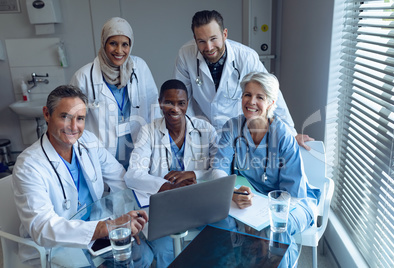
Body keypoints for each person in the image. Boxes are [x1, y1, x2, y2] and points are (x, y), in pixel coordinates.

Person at [12, 85, 153, 267]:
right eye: (65, 117)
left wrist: (128, 216)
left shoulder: (88, 142)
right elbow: (43, 228)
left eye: (80, 119)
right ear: (47, 114)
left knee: (142, 257)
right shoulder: (29, 166)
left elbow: (120, 179)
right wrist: (107, 228)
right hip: (56, 245)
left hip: (95, 229)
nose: (73, 127)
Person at [173, 10, 314, 150]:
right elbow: (182, 98)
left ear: (224, 34)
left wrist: (291, 133)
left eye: (213, 39)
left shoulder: (246, 57)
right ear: (195, 38)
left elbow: (272, 94)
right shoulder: (186, 54)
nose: (209, 47)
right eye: (202, 41)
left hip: (239, 132)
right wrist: (189, 130)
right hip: (202, 131)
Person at [211, 72, 321, 236]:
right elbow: (219, 168)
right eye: (247, 94)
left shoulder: (282, 136)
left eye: (260, 97)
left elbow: (291, 194)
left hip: (293, 203)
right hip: (253, 201)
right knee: (219, 223)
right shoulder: (232, 127)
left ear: (271, 103)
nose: (251, 101)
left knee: (274, 231)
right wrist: (231, 192)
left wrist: (259, 220)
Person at [124, 79, 218, 268]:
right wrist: (168, 186)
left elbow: (220, 168)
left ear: (187, 104)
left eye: (181, 103)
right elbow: (132, 174)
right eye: (169, 102)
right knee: (164, 250)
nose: (175, 108)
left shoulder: (205, 129)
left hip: (199, 204)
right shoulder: (148, 132)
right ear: (160, 102)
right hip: (165, 208)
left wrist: (194, 174)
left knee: (221, 237)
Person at [70, 17, 159, 169]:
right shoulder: (84, 77)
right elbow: (74, 122)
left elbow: (154, 109)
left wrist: (157, 148)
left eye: (125, 44)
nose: (119, 50)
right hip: (102, 156)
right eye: (113, 43)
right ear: (104, 43)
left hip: (138, 151)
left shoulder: (140, 68)